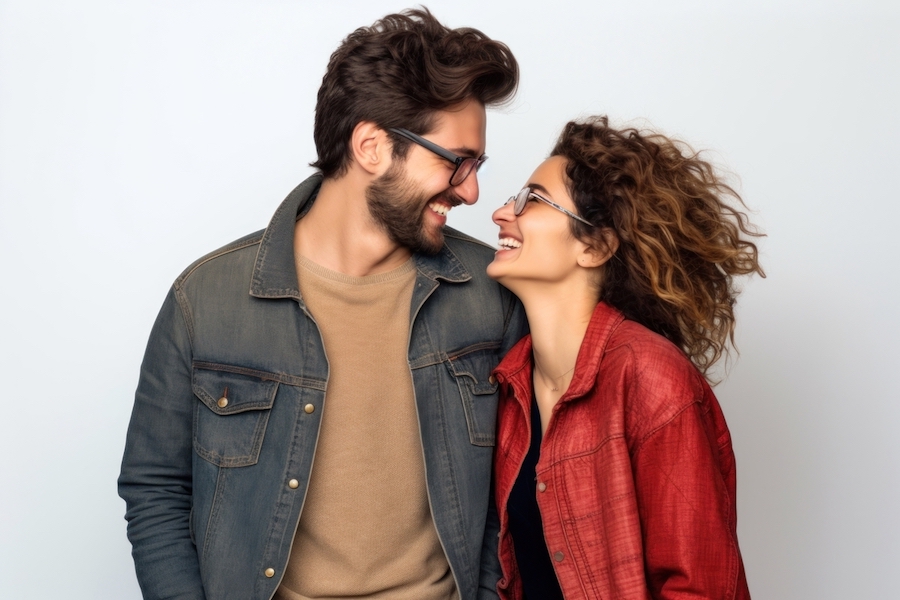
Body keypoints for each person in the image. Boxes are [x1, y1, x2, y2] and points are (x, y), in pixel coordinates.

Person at [117, 9, 526, 600]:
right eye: (455, 161)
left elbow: (514, 497)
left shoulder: (491, 299)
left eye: (477, 166)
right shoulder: (205, 300)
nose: (471, 190)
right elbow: (155, 489)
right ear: (371, 146)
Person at [486, 116, 763, 599]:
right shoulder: (509, 382)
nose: (501, 213)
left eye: (531, 199)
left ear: (594, 245)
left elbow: (702, 586)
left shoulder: (653, 379)